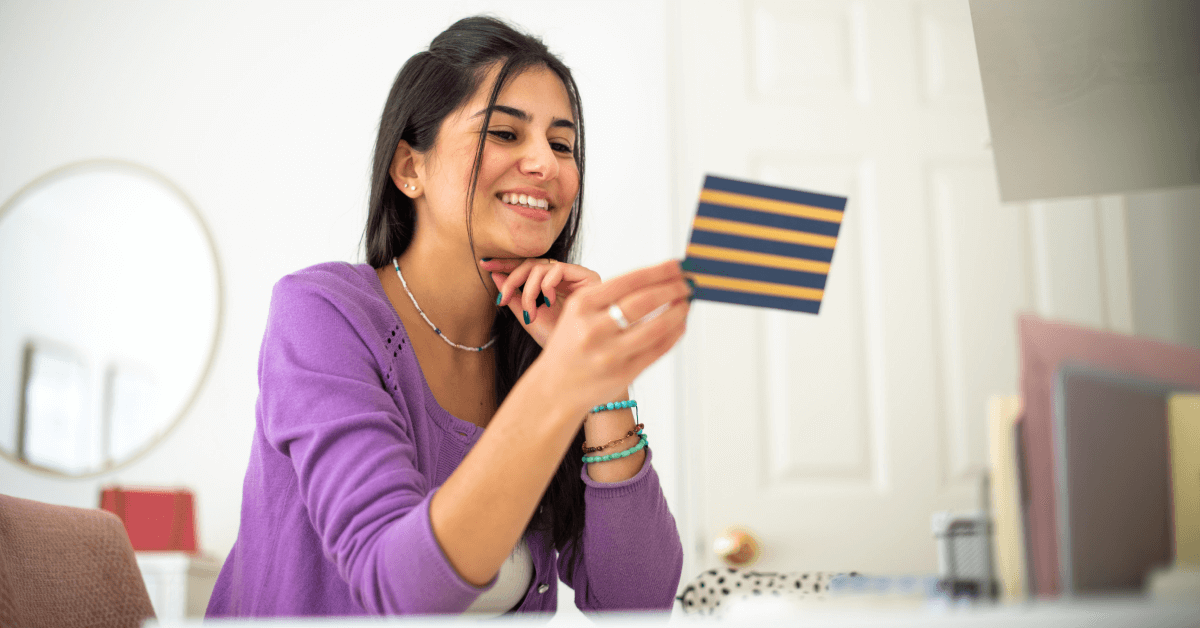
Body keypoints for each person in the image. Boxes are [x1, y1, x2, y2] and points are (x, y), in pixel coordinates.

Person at [206, 15, 690, 617]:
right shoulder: (322, 314)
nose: (546, 163)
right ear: (410, 168)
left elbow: (636, 601)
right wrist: (561, 382)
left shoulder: (537, 342)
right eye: (506, 134)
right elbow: (398, 588)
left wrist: (602, 389)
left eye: (563, 144)